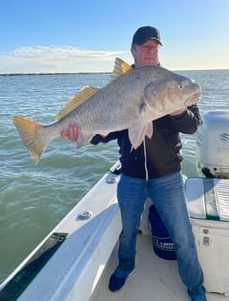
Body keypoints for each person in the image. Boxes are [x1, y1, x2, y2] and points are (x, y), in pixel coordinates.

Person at [61, 26, 206, 301]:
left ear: (159, 51)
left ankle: (195, 288)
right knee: (127, 232)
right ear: (133, 51)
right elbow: (109, 130)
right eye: (144, 46)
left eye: (155, 46)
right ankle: (126, 267)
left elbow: (193, 125)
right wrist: (82, 134)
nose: (150, 50)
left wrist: (177, 107)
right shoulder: (122, 85)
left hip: (169, 177)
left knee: (183, 237)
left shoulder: (173, 83)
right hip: (131, 176)